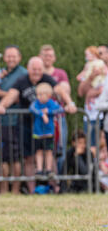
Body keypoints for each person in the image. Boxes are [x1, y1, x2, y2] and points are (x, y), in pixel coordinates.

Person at [0, 57, 77, 194]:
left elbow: (60, 90)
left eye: (39, 69)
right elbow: (12, 94)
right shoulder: (22, 80)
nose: (36, 72)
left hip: (47, 126)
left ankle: (54, 187)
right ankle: (32, 190)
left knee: (50, 155)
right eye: (34, 69)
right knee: (29, 157)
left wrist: (70, 103)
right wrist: (1, 106)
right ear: (28, 69)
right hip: (27, 125)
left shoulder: (47, 78)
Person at [0, 45, 27, 194]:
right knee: (1, 157)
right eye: (8, 56)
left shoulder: (23, 74)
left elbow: (17, 97)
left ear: (19, 57)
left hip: (14, 120)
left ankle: (14, 190)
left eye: (13, 56)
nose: (10, 59)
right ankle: (3, 190)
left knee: (14, 158)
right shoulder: (1, 72)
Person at [39, 44, 71, 175]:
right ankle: (45, 180)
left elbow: (66, 91)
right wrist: (55, 90)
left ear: (54, 58)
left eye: (50, 55)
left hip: (58, 117)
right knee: (41, 149)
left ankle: (60, 180)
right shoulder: (37, 73)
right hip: (40, 118)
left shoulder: (60, 73)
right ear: (40, 57)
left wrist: (48, 92)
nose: (47, 58)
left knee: (60, 148)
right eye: (45, 55)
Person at [29, 83, 63, 192]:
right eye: (37, 94)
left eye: (41, 94)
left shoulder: (51, 103)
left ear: (48, 95)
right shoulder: (36, 104)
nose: (39, 97)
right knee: (38, 152)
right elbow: (32, 108)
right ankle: (39, 170)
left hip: (49, 133)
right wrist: (41, 114)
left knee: (49, 152)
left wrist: (48, 111)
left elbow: (60, 109)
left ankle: (48, 169)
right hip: (38, 133)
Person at [77, 47, 108, 154]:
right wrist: (91, 77)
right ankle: (94, 169)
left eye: (101, 53)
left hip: (105, 115)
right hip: (91, 114)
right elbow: (81, 92)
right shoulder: (90, 69)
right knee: (92, 144)